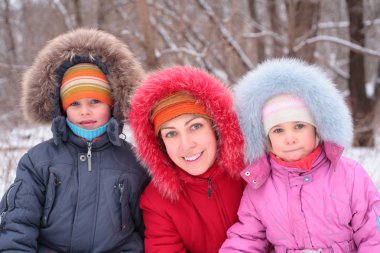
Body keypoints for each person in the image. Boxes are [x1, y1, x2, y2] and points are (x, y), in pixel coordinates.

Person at [0, 28, 149, 252]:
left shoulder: (133, 163)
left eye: (95, 101)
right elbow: (17, 224)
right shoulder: (38, 161)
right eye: (74, 104)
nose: (85, 111)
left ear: (113, 104)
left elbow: (146, 229)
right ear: (62, 108)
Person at [220, 58, 380, 252]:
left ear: (316, 129)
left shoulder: (349, 175)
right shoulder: (259, 187)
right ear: (266, 139)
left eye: (299, 126)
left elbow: (373, 235)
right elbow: (247, 238)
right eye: (278, 130)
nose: (290, 138)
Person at [128, 66, 246, 253]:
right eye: (171, 134)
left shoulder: (252, 174)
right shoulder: (157, 200)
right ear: (160, 145)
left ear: (216, 127)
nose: (186, 145)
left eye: (195, 126)